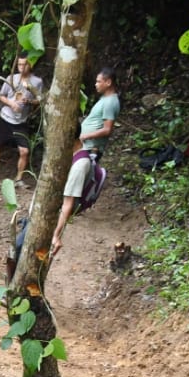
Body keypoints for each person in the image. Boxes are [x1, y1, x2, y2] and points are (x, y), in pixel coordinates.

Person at [52, 67, 120, 256]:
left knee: (77, 179)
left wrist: (84, 136)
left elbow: (107, 129)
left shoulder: (110, 102)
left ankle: (69, 210)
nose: (96, 84)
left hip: (89, 147)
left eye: (99, 81)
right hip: (83, 145)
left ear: (108, 82)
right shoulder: (105, 100)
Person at [0, 55, 44, 185]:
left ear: (30, 65)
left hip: (21, 121)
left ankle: (18, 179)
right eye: (19, 64)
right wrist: (11, 103)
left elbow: (40, 100)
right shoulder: (11, 78)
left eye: (24, 64)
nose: (21, 67)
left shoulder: (37, 82)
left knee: (24, 151)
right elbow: (1, 96)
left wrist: (29, 101)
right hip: (5, 118)